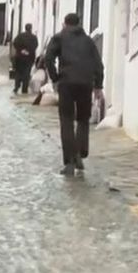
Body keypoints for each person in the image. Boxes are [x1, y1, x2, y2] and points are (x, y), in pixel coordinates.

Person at [44, 13, 104, 176]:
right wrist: (98, 85)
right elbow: (98, 64)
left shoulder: (59, 38)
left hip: (66, 83)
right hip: (85, 84)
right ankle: (80, 153)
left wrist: (55, 78)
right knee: (83, 119)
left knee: (66, 120)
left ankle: (69, 161)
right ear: (79, 23)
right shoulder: (88, 41)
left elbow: (48, 59)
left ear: (64, 23)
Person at [12, 23, 39, 95]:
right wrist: (28, 51)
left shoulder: (20, 36)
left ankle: (16, 87)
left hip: (19, 57)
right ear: (31, 28)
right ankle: (24, 89)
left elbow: (15, 43)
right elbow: (35, 45)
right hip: (29, 58)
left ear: (25, 28)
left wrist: (21, 50)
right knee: (26, 73)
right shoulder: (34, 37)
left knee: (18, 72)